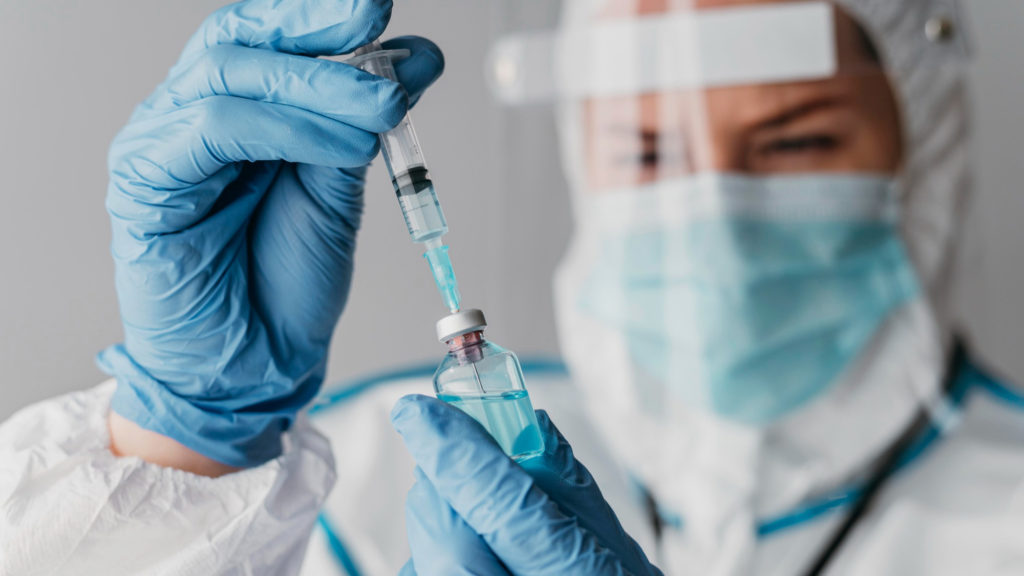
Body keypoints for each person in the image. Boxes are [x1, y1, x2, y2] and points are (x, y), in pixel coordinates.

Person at [1, 0, 1022, 575]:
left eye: (796, 141)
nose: (711, 211)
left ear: (919, 156)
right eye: (645, 146)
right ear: (583, 158)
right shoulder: (359, 494)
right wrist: (189, 438)